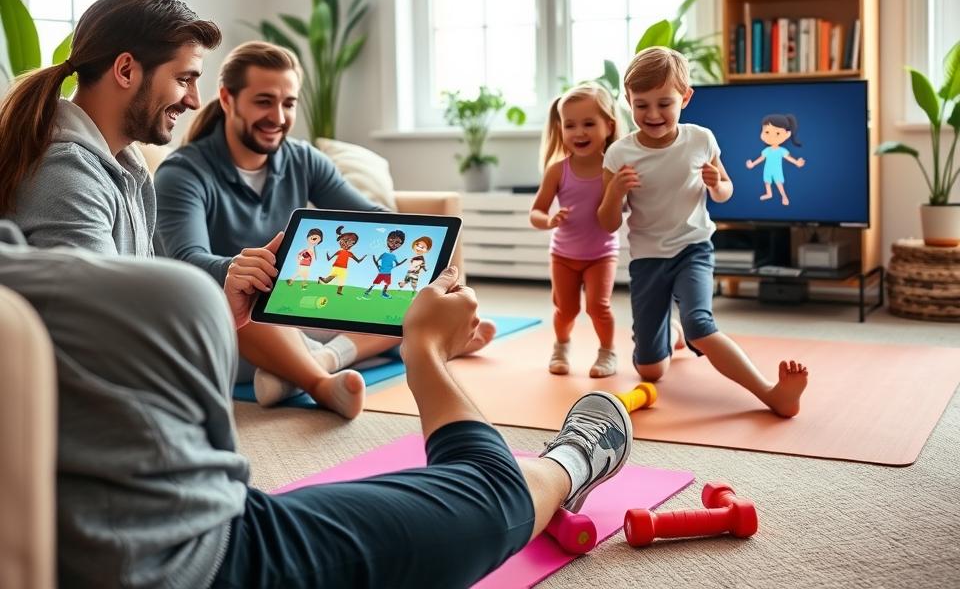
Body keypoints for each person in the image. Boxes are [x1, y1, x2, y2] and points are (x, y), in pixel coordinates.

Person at [0, 219, 633, 589]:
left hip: (132, 506)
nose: (190, 96)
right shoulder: (156, 173)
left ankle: (329, 363)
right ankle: (571, 461)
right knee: (492, 491)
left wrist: (218, 319)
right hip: (194, 557)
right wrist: (422, 347)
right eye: (187, 76)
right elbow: (182, 257)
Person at [154, 41, 495, 418]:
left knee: (392, 296)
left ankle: (323, 359)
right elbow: (187, 260)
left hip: (294, 312)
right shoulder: (182, 173)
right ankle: (321, 383)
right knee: (249, 297)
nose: (278, 117)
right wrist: (241, 272)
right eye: (264, 101)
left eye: (288, 103)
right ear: (227, 98)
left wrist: (422, 265)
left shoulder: (302, 159)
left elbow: (373, 218)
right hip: (230, 325)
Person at [597, 46, 809, 417]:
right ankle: (671, 333)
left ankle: (771, 394)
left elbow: (726, 190)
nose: (653, 114)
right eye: (641, 105)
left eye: (664, 103)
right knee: (651, 370)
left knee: (700, 324)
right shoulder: (619, 154)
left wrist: (717, 184)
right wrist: (615, 193)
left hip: (693, 248)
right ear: (628, 101)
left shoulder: (700, 139)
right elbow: (608, 222)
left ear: (685, 97)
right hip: (647, 260)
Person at [0, 0, 222, 251]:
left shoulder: (127, 166)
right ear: (126, 71)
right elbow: (98, 282)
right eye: (184, 79)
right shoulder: (69, 177)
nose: (195, 102)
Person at [529, 83, 623, 378]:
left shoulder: (612, 170)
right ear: (561, 129)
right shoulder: (558, 170)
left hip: (602, 254)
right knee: (565, 310)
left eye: (589, 124)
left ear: (609, 126)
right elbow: (536, 212)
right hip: (563, 255)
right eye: (570, 125)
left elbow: (617, 214)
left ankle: (607, 352)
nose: (579, 132)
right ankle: (561, 347)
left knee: (598, 307)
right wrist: (549, 221)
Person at [745, 113, 806, 205]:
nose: (771, 137)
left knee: (779, 184)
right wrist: (753, 164)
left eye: (777, 133)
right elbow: (761, 158)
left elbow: (788, 158)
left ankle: (784, 196)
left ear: (787, 134)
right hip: (767, 170)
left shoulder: (782, 150)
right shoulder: (766, 150)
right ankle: (769, 194)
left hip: (777, 171)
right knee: (767, 182)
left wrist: (796, 162)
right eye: (767, 132)